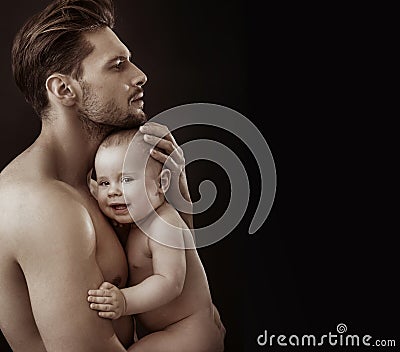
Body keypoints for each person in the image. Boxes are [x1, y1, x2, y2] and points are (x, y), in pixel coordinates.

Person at [0, 0, 192, 350]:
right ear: (63, 90)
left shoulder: (100, 184)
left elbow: (175, 299)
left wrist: (178, 198)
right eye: (117, 65)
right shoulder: (44, 206)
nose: (139, 75)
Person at [86, 129, 226, 351]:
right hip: (177, 329)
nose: (113, 191)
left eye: (126, 179)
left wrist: (124, 301)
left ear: (161, 184)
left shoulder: (163, 223)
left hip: (189, 330)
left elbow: (170, 282)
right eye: (104, 183)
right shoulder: (138, 220)